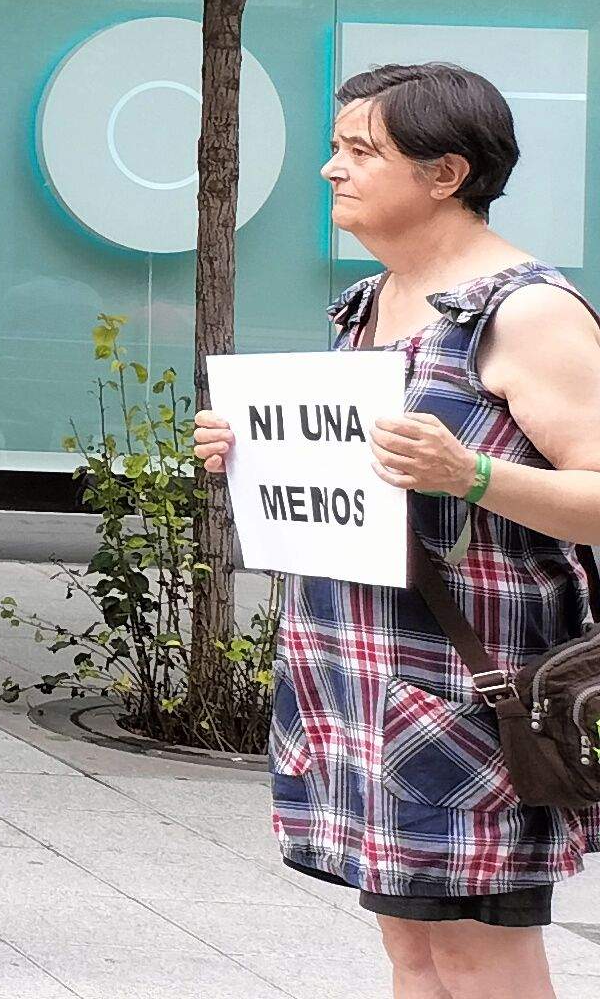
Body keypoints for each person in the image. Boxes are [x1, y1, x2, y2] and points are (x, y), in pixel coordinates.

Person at [190, 63, 600, 999]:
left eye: (360, 151)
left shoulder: (526, 311)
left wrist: (476, 475)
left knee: (473, 949)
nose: (332, 170)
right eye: (337, 148)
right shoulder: (370, 303)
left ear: (445, 173)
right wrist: (248, 450)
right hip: (361, 676)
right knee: (412, 948)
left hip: (472, 685)